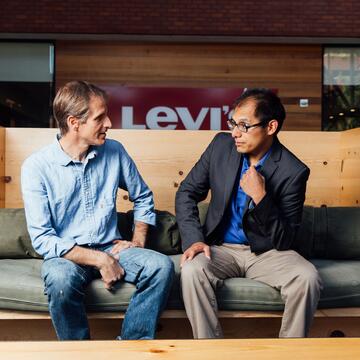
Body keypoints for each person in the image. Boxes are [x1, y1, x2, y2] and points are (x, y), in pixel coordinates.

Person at [21, 81, 174, 340]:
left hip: (110, 246)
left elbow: (143, 196)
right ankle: (79, 354)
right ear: (74, 122)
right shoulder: (36, 167)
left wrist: (137, 241)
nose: (110, 123)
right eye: (100, 117)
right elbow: (43, 239)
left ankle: (130, 348)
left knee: (161, 266)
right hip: (67, 255)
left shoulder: (114, 151)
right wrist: (100, 260)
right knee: (59, 279)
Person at [176, 88, 322, 338]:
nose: (235, 133)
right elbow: (186, 192)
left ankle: (290, 354)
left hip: (267, 253)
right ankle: (210, 353)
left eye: (244, 125)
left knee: (307, 277)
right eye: (233, 123)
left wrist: (261, 196)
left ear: (271, 127)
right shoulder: (220, 147)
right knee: (191, 270)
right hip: (220, 248)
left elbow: (285, 238)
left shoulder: (293, 171)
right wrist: (195, 239)